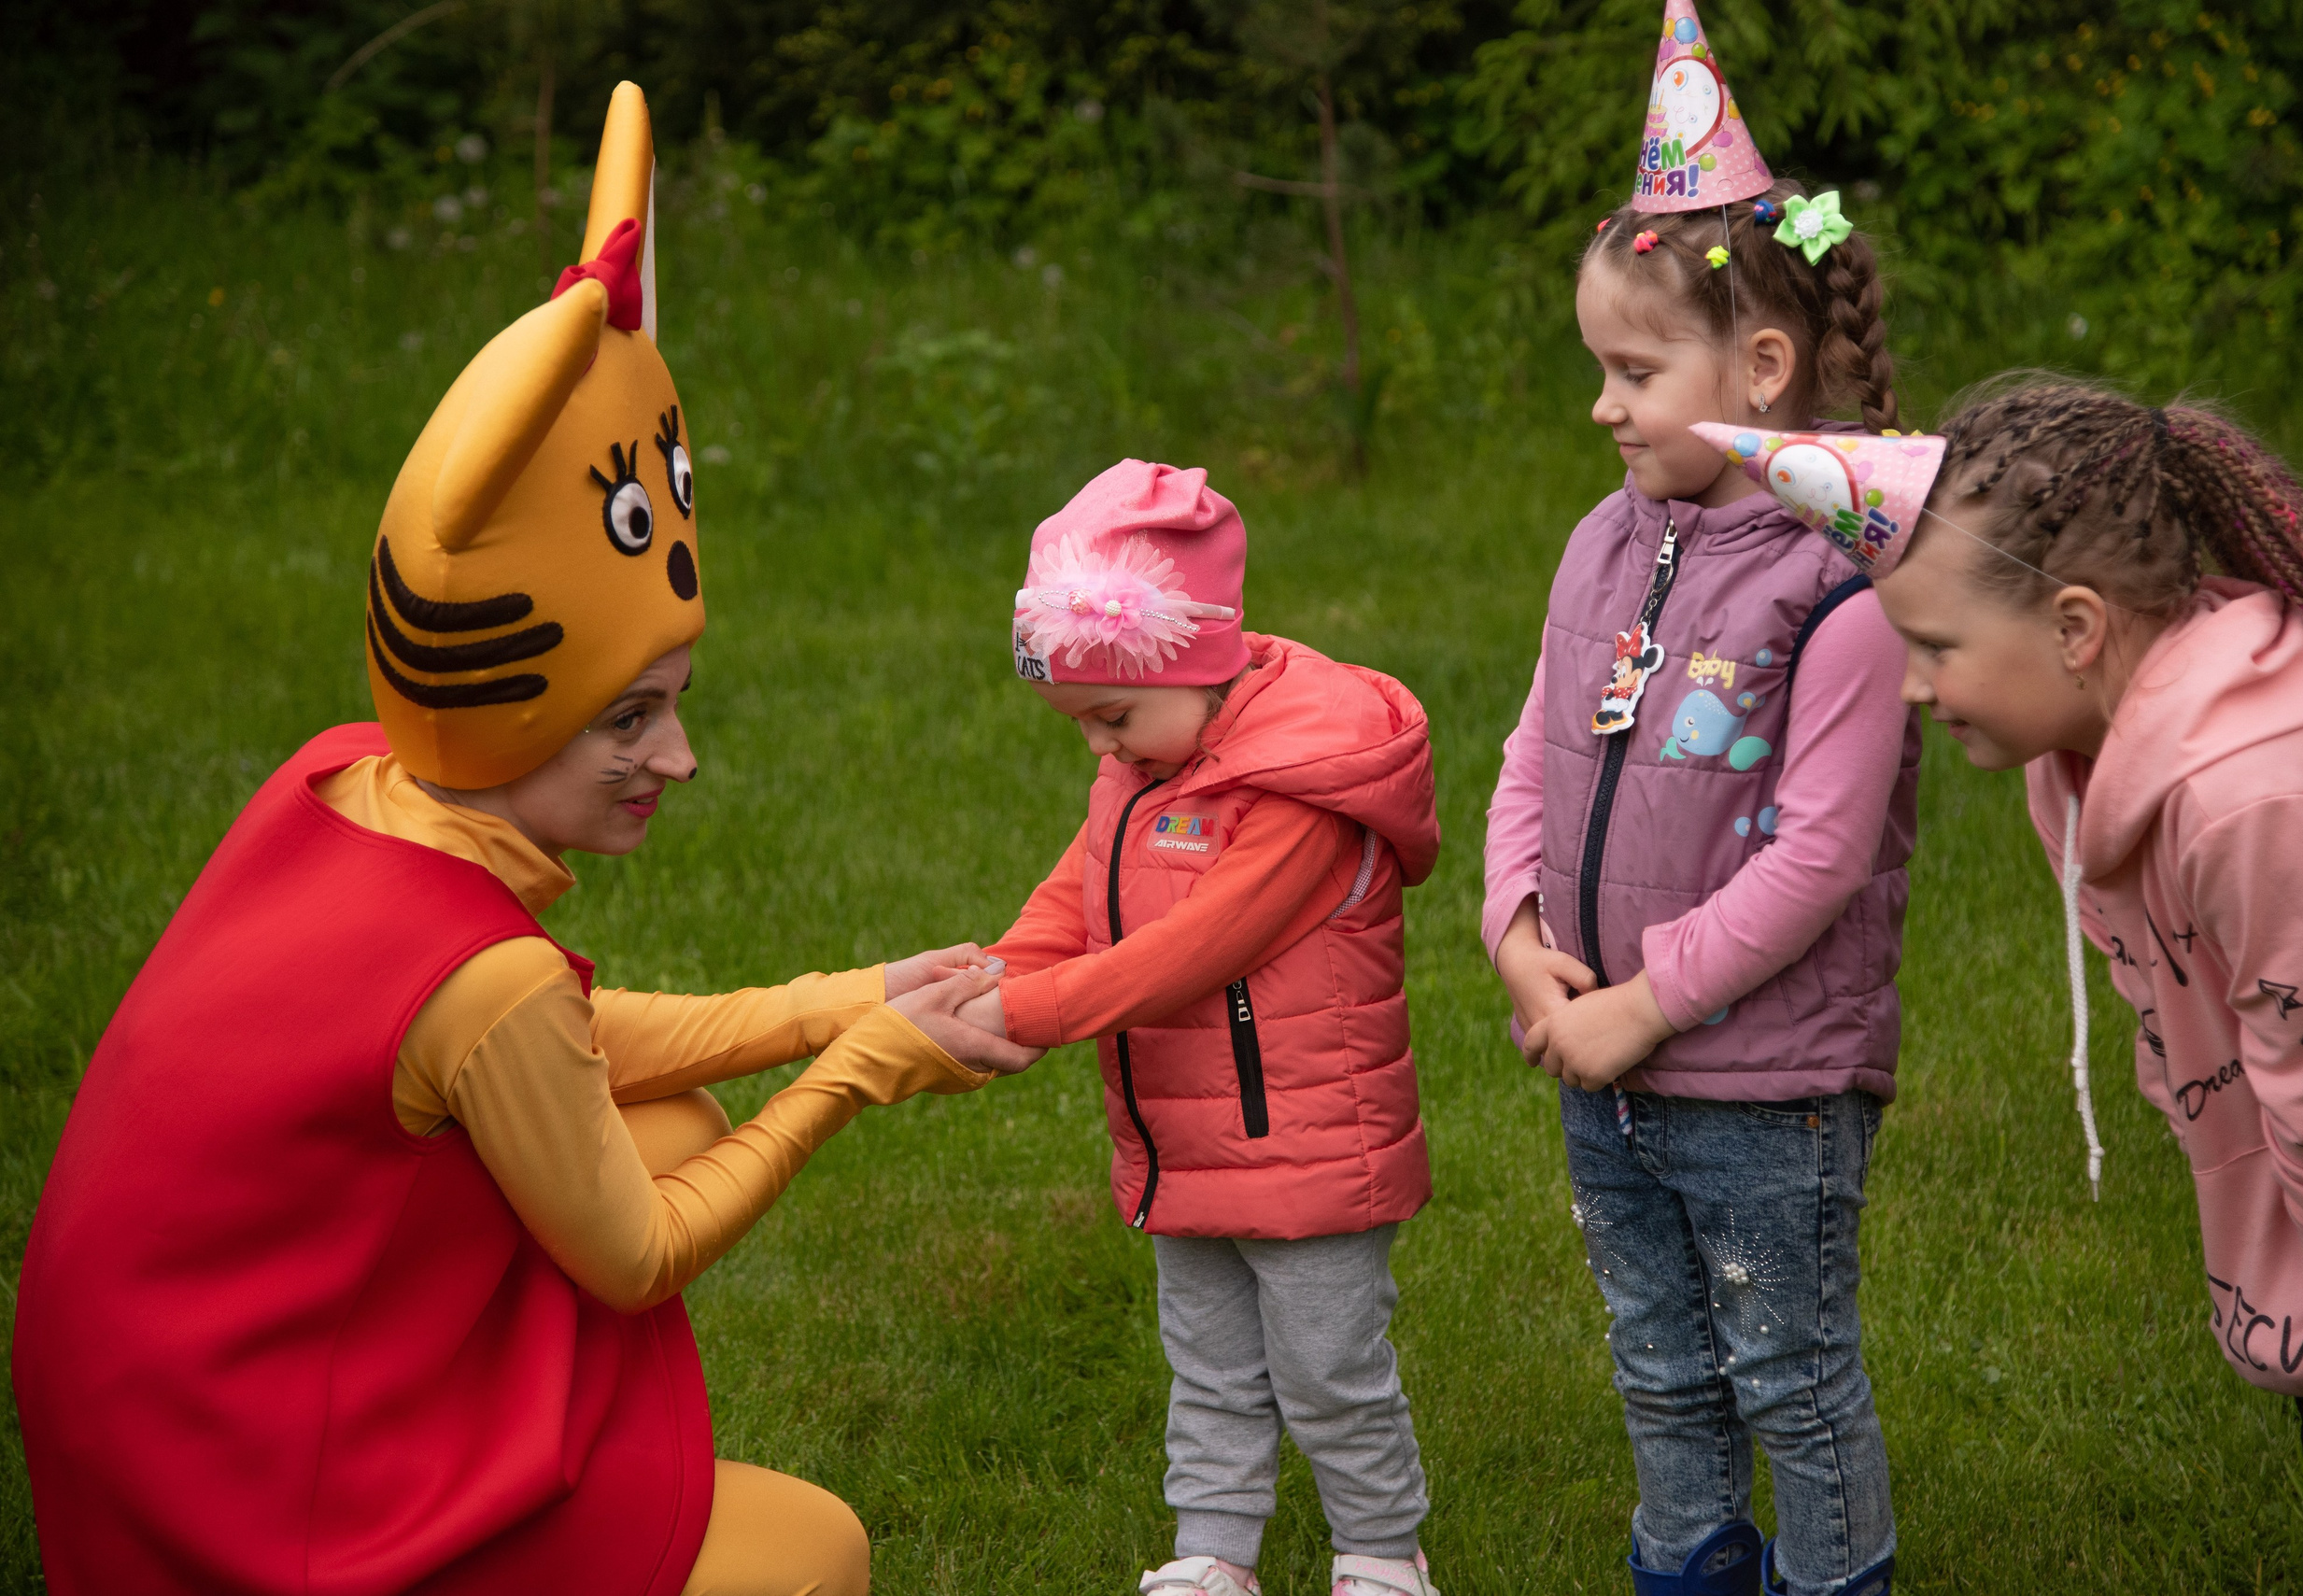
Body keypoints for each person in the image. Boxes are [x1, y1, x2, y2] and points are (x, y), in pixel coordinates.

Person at [10, 82, 1037, 1596]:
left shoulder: (352, 777)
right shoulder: (475, 977)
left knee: (671, 1114)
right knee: (815, 1548)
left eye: (672, 705)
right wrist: (858, 1067)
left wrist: (838, 993)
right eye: (629, 719)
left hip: (169, 1398)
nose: (677, 757)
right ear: (503, 706)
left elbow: (555, 1034)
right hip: (261, 1492)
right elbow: (633, 1250)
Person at [1479, 7, 1913, 1591]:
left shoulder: (1838, 589)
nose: (1603, 404)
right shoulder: (1604, 539)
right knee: (1659, 1362)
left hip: (1761, 1085)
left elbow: (1820, 857)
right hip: (1606, 1062)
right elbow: (1534, 746)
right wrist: (1517, 931)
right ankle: (1686, 1566)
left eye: (1633, 369)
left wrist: (1647, 1005)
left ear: (1764, 367)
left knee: (1788, 1371)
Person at [1863, 376, 2303, 1596]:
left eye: (1936, 646)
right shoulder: (2086, 753)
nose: (1910, 686)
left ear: (2077, 628)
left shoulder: (2251, 797)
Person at [958, 459, 1443, 1596]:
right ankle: (1215, 1549)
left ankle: (1382, 1550)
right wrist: (984, 975)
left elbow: (1187, 953)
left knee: (1329, 1365)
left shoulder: (1300, 799)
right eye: (1083, 724)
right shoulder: (1147, 760)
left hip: (1314, 1148)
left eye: (1111, 715)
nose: (1100, 748)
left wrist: (1027, 1011)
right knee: (1212, 1362)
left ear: (1194, 660)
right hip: (1187, 1137)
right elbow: (1071, 896)